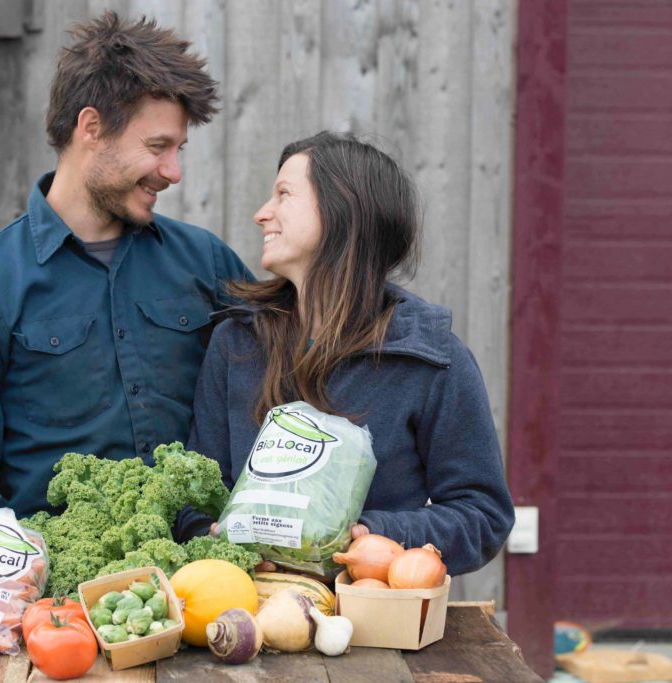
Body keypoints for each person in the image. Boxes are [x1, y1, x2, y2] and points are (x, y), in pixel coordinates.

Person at [0, 12, 252, 561]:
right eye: (158, 145)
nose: (173, 171)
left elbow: (284, 389)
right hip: (59, 611)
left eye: (179, 150)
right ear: (91, 127)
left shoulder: (207, 263)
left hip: (207, 585)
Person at [187, 132, 514, 576]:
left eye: (284, 195)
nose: (262, 214)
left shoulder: (433, 360)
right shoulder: (236, 342)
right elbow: (196, 497)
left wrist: (375, 534)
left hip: (373, 619)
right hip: (248, 614)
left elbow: (483, 515)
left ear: (342, 211)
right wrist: (215, 538)